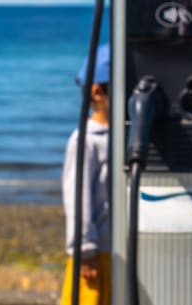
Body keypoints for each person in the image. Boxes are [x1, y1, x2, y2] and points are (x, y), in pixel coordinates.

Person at [61, 43, 112, 305]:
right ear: (97, 91)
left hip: (115, 250)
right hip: (95, 255)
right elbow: (77, 197)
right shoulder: (86, 140)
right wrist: (85, 249)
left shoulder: (120, 137)